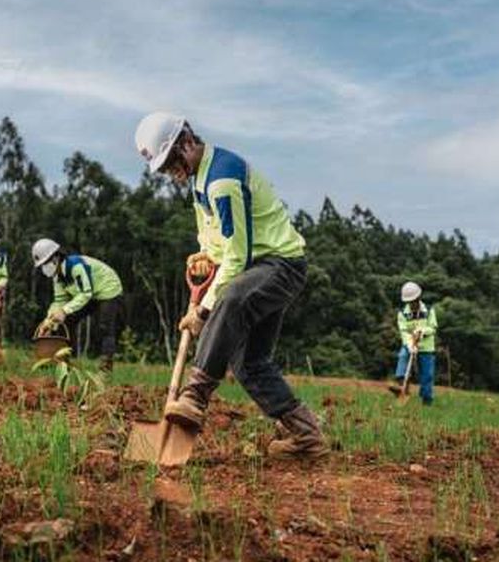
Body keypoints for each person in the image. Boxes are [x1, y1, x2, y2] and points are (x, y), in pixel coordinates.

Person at [133, 111, 328, 461]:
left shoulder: (222, 180)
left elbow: (237, 259)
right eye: (163, 169)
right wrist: (205, 255)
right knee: (249, 361)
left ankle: (195, 396)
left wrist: (204, 309)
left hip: (280, 265)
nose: (169, 173)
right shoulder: (198, 177)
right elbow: (217, 240)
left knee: (232, 298)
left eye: (170, 163)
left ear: (187, 142)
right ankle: (306, 437)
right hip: (257, 267)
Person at [32, 238, 123, 372]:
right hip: (88, 293)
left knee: (105, 327)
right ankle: (64, 360)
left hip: (107, 288)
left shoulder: (75, 266)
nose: (45, 268)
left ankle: (106, 366)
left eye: (46, 263)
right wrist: (49, 321)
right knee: (65, 320)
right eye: (42, 265)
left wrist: (64, 311)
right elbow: (59, 300)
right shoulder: (57, 278)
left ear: (56, 257)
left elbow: (86, 293)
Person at [389, 281, 439, 404]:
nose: (412, 304)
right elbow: (403, 331)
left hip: (426, 348)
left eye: (414, 301)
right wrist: (409, 344)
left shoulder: (429, 310)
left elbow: (433, 328)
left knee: (427, 376)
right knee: (402, 356)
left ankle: (426, 400)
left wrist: (422, 331)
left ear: (419, 298)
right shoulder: (402, 314)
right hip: (410, 344)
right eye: (409, 302)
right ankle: (402, 385)